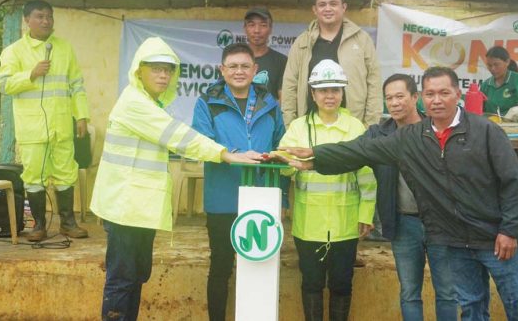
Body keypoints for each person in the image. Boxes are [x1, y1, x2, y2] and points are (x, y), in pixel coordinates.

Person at [278, 67, 518, 321]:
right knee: (472, 308)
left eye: (444, 93)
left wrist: (510, 230)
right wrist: (315, 157)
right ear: (423, 97)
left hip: (495, 238)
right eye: (430, 93)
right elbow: (360, 151)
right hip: (456, 241)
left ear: (458, 94)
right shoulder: (414, 137)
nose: (436, 100)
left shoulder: (485, 131)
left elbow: (513, 182)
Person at [90, 37, 259, 321]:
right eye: (156, 69)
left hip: (138, 209)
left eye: (168, 70)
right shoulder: (135, 103)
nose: (163, 75)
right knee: (122, 280)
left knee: (136, 276)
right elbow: (179, 137)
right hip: (123, 207)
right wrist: (225, 154)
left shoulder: (150, 104)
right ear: (139, 70)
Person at [192, 42, 285, 321]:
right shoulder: (207, 101)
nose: (239, 71)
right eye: (232, 66)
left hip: (262, 200)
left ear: (255, 69)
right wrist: (235, 155)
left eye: (245, 66)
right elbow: (202, 144)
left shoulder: (270, 103)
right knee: (221, 265)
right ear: (222, 70)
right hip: (223, 198)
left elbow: (280, 143)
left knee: (259, 265)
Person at [278, 59, 376, 321]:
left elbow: (367, 175)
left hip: (345, 224)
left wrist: (366, 213)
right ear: (312, 94)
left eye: (335, 89)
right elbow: (283, 168)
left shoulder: (355, 128)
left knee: (342, 285)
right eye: (323, 90)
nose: (329, 95)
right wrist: (288, 164)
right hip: (309, 223)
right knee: (311, 283)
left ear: (343, 92)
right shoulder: (299, 127)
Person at [363, 74, 456, 321]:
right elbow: (351, 151)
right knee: (409, 292)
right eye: (389, 98)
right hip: (403, 224)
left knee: (447, 292)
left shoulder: (437, 130)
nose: (394, 103)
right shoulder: (379, 134)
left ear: (415, 97)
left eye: (400, 96)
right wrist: (313, 157)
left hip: (441, 224)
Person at [0, 0, 89, 241]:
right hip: (32, 128)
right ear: (27, 20)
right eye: (40, 16)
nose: (46, 21)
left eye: (49, 16)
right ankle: (39, 225)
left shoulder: (65, 48)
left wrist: (81, 116)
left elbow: (76, 85)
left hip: (61, 125)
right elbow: (4, 85)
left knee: (66, 173)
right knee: (34, 177)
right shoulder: (14, 51)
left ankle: (68, 223)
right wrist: (31, 74)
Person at [281, 0, 382, 127]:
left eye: (333, 4)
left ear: (344, 7)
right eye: (322, 5)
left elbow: (374, 83)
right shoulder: (302, 42)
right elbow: (289, 85)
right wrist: (291, 125)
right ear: (315, 10)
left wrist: (370, 127)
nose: (327, 8)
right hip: (310, 127)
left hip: (353, 128)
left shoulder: (362, 40)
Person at [481, 45, 518, 210]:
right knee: (496, 175)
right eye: (489, 65)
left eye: (496, 64)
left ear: (507, 62)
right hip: (495, 136)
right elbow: (482, 111)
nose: (493, 69)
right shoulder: (486, 84)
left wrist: (510, 118)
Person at [243, 7, 288, 99]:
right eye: (251, 25)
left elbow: (283, 100)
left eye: (263, 25)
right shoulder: (234, 60)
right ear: (245, 28)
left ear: (270, 29)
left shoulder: (281, 61)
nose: (257, 30)